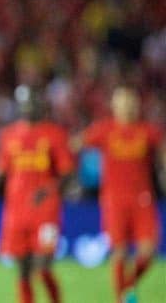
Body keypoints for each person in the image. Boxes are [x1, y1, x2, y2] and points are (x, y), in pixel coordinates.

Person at [0, 85, 75, 303]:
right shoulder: (9, 135)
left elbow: (67, 173)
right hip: (16, 211)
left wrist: (49, 189)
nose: (29, 107)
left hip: (45, 210)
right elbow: (0, 170)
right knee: (23, 271)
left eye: (32, 102)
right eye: (24, 103)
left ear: (40, 105)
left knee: (42, 266)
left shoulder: (54, 134)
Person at [77, 86, 165, 303]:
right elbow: (76, 143)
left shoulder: (148, 131)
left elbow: (163, 151)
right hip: (114, 200)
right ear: (114, 106)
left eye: (131, 102)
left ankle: (129, 285)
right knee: (119, 252)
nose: (127, 107)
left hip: (143, 198)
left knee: (148, 250)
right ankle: (121, 299)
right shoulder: (104, 130)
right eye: (123, 102)